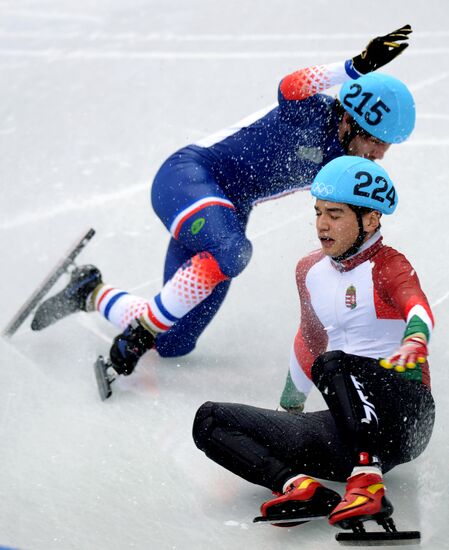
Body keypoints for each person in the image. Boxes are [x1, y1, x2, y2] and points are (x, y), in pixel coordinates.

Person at [31, 27, 415, 384]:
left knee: (174, 341)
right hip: (189, 177)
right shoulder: (311, 114)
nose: (381, 153)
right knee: (231, 252)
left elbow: (356, 219)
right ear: (351, 119)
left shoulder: (345, 164)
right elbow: (290, 86)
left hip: (227, 211)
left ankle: (90, 291)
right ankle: (141, 329)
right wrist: (355, 67)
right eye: (378, 140)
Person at [192, 155, 435, 531]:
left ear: (369, 220)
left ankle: (367, 481)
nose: (322, 224)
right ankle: (300, 488)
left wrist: (416, 337)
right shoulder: (311, 271)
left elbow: (416, 304)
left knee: (334, 361)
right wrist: (288, 412)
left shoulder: (388, 266)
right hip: (348, 429)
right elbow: (309, 338)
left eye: (335, 214)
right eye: (318, 211)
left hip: (404, 417)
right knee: (210, 420)